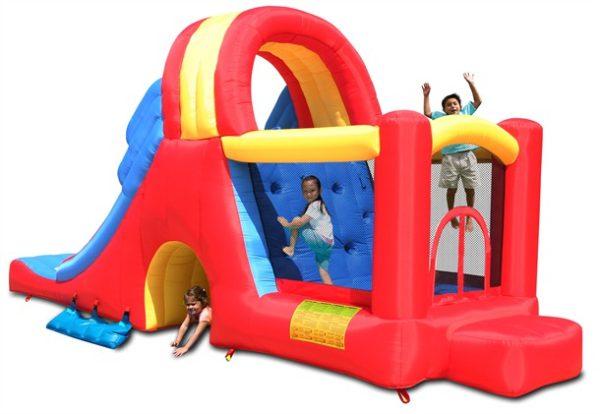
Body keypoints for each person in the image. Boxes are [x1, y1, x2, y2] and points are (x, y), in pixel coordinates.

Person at [422, 73, 482, 232]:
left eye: (455, 103)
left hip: (467, 155)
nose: (452, 106)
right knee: (451, 189)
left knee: (470, 188)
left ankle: (470, 217)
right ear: (444, 109)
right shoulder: (442, 118)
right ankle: (451, 215)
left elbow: (478, 101)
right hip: (450, 158)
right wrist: (426, 96)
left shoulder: (465, 113)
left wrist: (471, 83)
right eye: (449, 105)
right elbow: (428, 114)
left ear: (460, 106)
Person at [277, 175, 334, 285]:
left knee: (296, 220)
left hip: (322, 241)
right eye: (305, 192)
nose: (309, 194)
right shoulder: (318, 205)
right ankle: (332, 291)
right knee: (323, 271)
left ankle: (291, 248)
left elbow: (300, 223)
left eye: (312, 191)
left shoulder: (315, 205)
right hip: (327, 245)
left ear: (320, 190)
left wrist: (286, 224)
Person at [171, 286, 212, 357]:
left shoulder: (205, 314)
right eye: (188, 304)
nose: (190, 307)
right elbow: (185, 325)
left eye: (193, 304)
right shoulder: (191, 311)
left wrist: (185, 347)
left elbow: (196, 333)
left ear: (203, 302)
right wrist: (178, 340)